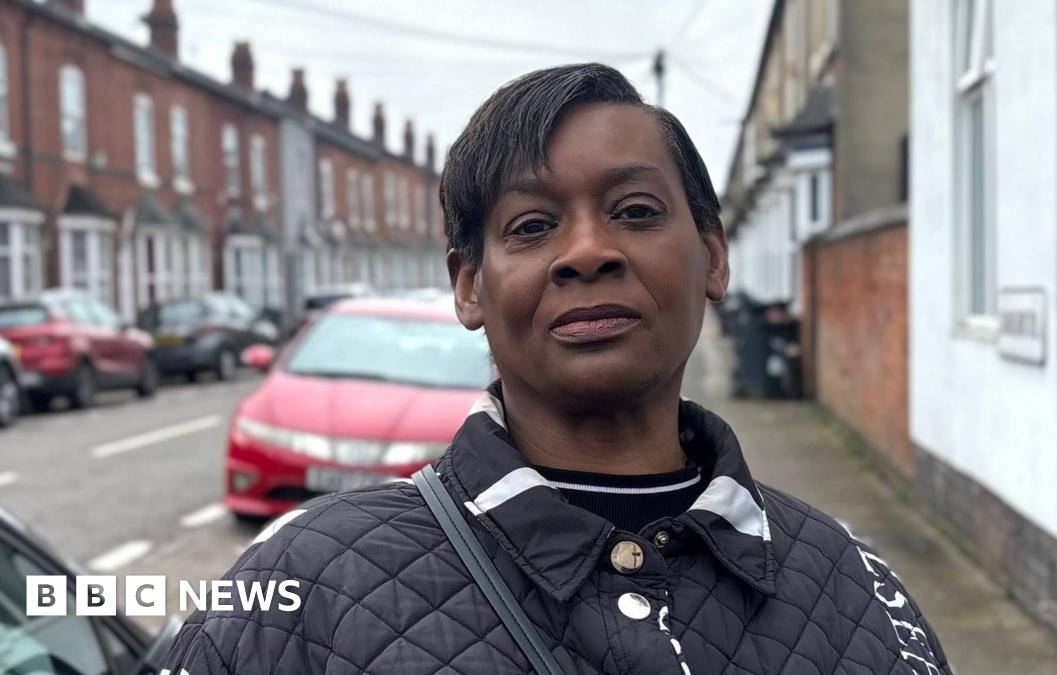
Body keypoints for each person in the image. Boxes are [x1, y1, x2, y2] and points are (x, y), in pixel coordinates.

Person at [162, 63, 951, 674]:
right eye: (533, 225)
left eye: (635, 212)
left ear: (712, 255)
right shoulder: (304, 581)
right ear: (470, 286)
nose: (586, 252)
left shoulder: (853, 582)